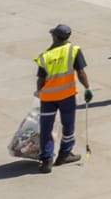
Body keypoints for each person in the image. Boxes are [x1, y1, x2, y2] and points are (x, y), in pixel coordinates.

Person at [33, 24, 92, 174]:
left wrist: (39, 91)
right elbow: (81, 72)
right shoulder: (74, 50)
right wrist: (87, 88)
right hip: (67, 96)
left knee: (46, 128)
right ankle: (65, 153)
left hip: (48, 98)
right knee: (68, 125)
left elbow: (41, 79)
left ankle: (46, 160)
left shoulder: (45, 56)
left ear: (55, 37)